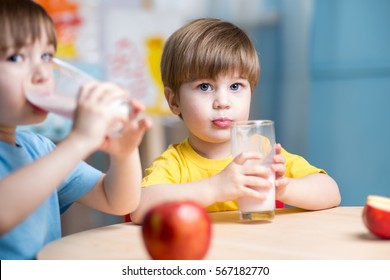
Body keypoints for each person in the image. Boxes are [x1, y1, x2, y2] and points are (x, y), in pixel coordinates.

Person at [130, 18, 341, 224]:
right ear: (174, 101)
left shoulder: (261, 153)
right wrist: (215, 187)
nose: (223, 102)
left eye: (235, 86)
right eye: (205, 86)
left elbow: (331, 192)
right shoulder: (175, 163)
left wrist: (283, 188)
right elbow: (139, 209)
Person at [0, 0, 151, 259]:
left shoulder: (40, 150)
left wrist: (124, 153)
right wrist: (79, 140)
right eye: (16, 57)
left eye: (47, 56)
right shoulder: (58, 154)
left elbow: (117, 200)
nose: (42, 74)